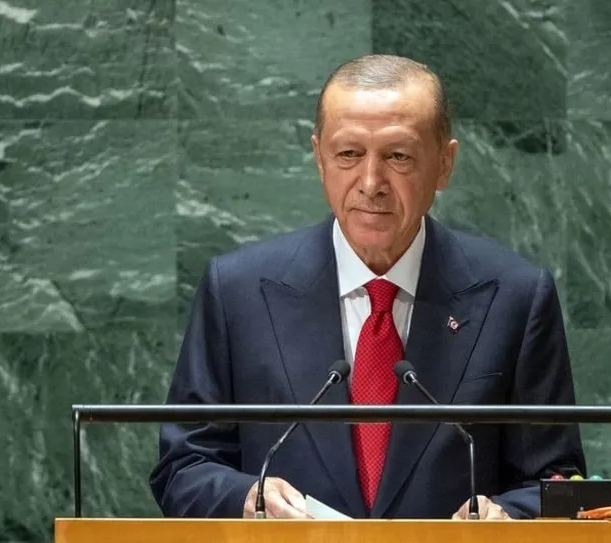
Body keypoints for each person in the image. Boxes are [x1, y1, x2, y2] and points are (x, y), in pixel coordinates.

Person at [149, 54, 586, 520]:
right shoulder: (238, 291)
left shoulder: (515, 297)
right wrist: (246, 497)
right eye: (348, 155)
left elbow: (559, 483)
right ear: (319, 158)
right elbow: (184, 468)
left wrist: (506, 516)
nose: (371, 182)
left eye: (398, 156)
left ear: (444, 163)